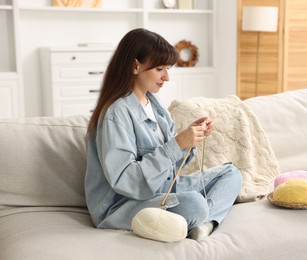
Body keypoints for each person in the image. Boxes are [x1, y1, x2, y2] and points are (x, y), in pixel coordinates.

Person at [84, 28, 243, 242]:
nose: (167, 77)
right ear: (135, 66)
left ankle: (204, 224)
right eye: (160, 69)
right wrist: (177, 145)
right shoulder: (116, 114)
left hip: (161, 190)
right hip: (122, 205)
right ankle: (201, 218)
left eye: (167, 69)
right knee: (193, 204)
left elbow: (171, 172)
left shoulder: (156, 107)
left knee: (231, 173)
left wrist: (189, 141)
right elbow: (125, 180)